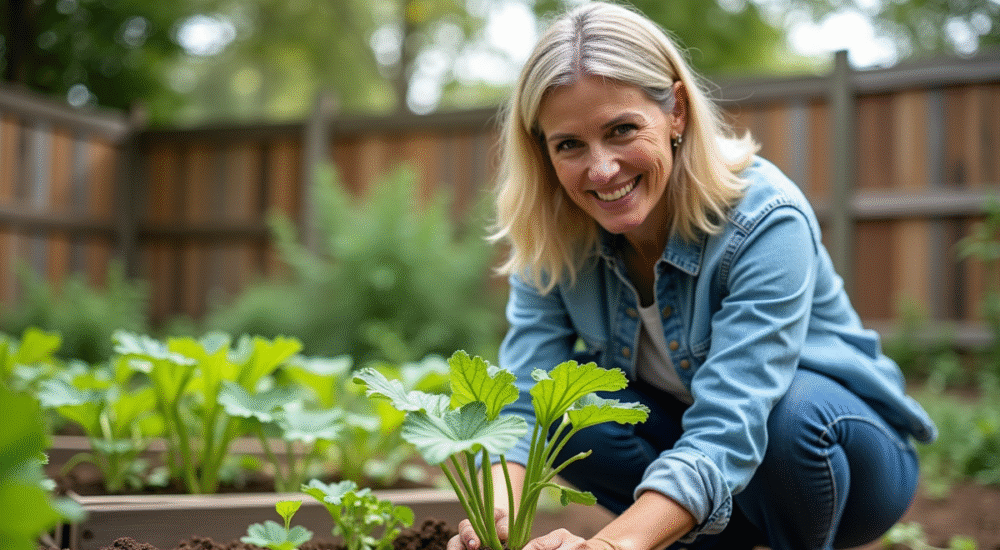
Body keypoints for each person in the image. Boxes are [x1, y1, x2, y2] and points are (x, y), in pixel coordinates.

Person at [447, 2, 938, 550]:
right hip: (712, 474)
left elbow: (732, 422)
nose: (601, 169)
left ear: (676, 110)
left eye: (622, 129)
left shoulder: (763, 220)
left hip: (840, 463)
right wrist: (494, 513)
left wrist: (611, 545)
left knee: (789, 417)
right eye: (570, 145)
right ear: (543, 147)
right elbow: (525, 397)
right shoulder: (552, 230)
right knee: (564, 409)